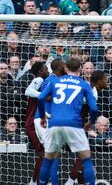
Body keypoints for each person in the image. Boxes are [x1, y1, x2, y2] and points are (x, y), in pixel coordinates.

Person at [37, 57, 98, 185]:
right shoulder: (83, 84)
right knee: (86, 158)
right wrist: (90, 123)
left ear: (66, 68)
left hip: (54, 123)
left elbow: (41, 98)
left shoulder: (55, 82)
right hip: (73, 124)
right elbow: (93, 107)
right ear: (80, 69)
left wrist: (42, 116)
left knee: (48, 159)